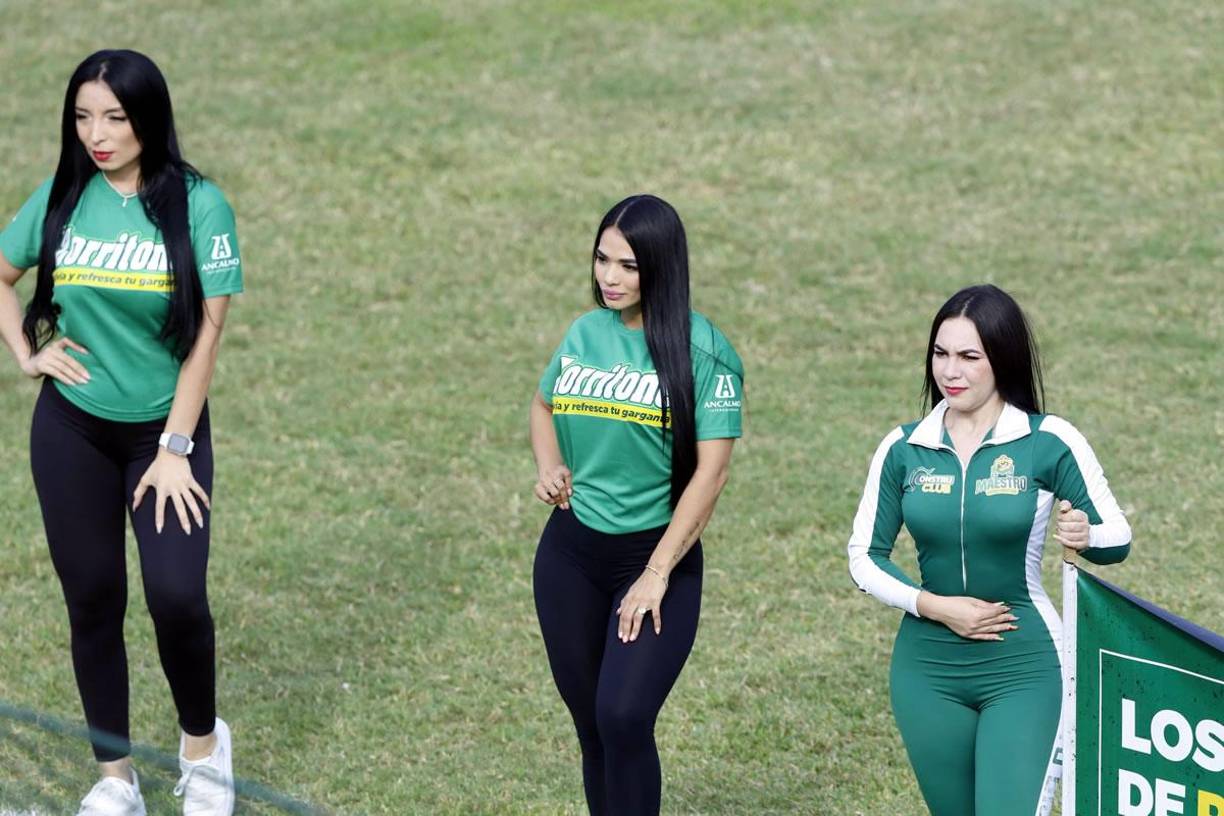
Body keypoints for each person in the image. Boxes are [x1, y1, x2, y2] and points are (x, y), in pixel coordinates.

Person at [0, 50, 242, 815]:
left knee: (177, 597)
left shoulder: (201, 205)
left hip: (163, 437)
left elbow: (207, 334)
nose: (97, 134)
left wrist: (174, 448)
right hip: (71, 431)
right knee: (94, 598)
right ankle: (114, 780)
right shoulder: (62, 198)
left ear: (149, 117)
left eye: (114, 116)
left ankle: (203, 752)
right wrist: (26, 353)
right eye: (82, 116)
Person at [847, 284, 1132, 815]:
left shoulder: (1049, 440)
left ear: (1001, 359)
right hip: (926, 669)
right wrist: (935, 606)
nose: (950, 372)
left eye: (969, 357)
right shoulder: (903, 448)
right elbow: (864, 557)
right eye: (941, 354)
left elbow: (1117, 536)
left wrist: (1086, 536)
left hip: (1024, 664)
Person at [530, 194, 743, 815]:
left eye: (628, 265)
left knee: (623, 715)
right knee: (592, 727)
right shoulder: (583, 333)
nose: (610, 277)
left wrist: (655, 575)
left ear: (661, 268)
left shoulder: (705, 351)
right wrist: (550, 466)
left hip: (656, 560)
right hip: (570, 555)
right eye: (602, 259)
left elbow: (713, 472)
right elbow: (543, 405)